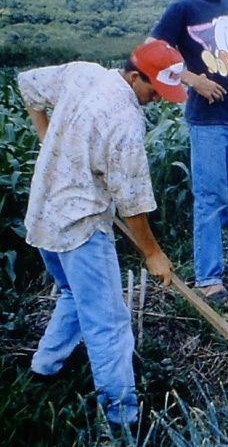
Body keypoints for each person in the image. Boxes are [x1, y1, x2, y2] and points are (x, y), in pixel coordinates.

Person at [20, 40, 183, 430]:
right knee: (109, 323)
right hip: (80, 227)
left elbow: (28, 84)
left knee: (74, 294)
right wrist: (153, 254)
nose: (158, 100)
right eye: (154, 90)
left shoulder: (84, 71)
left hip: (43, 213)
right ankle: (122, 418)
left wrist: (48, 143)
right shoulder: (125, 120)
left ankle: (44, 367)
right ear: (133, 76)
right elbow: (133, 202)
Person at [149, 0, 228, 311]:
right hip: (206, 118)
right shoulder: (183, 7)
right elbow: (150, 51)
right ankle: (209, 279)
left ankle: (214, 263)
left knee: (221, 197)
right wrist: (193, 80)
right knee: (209, 198)